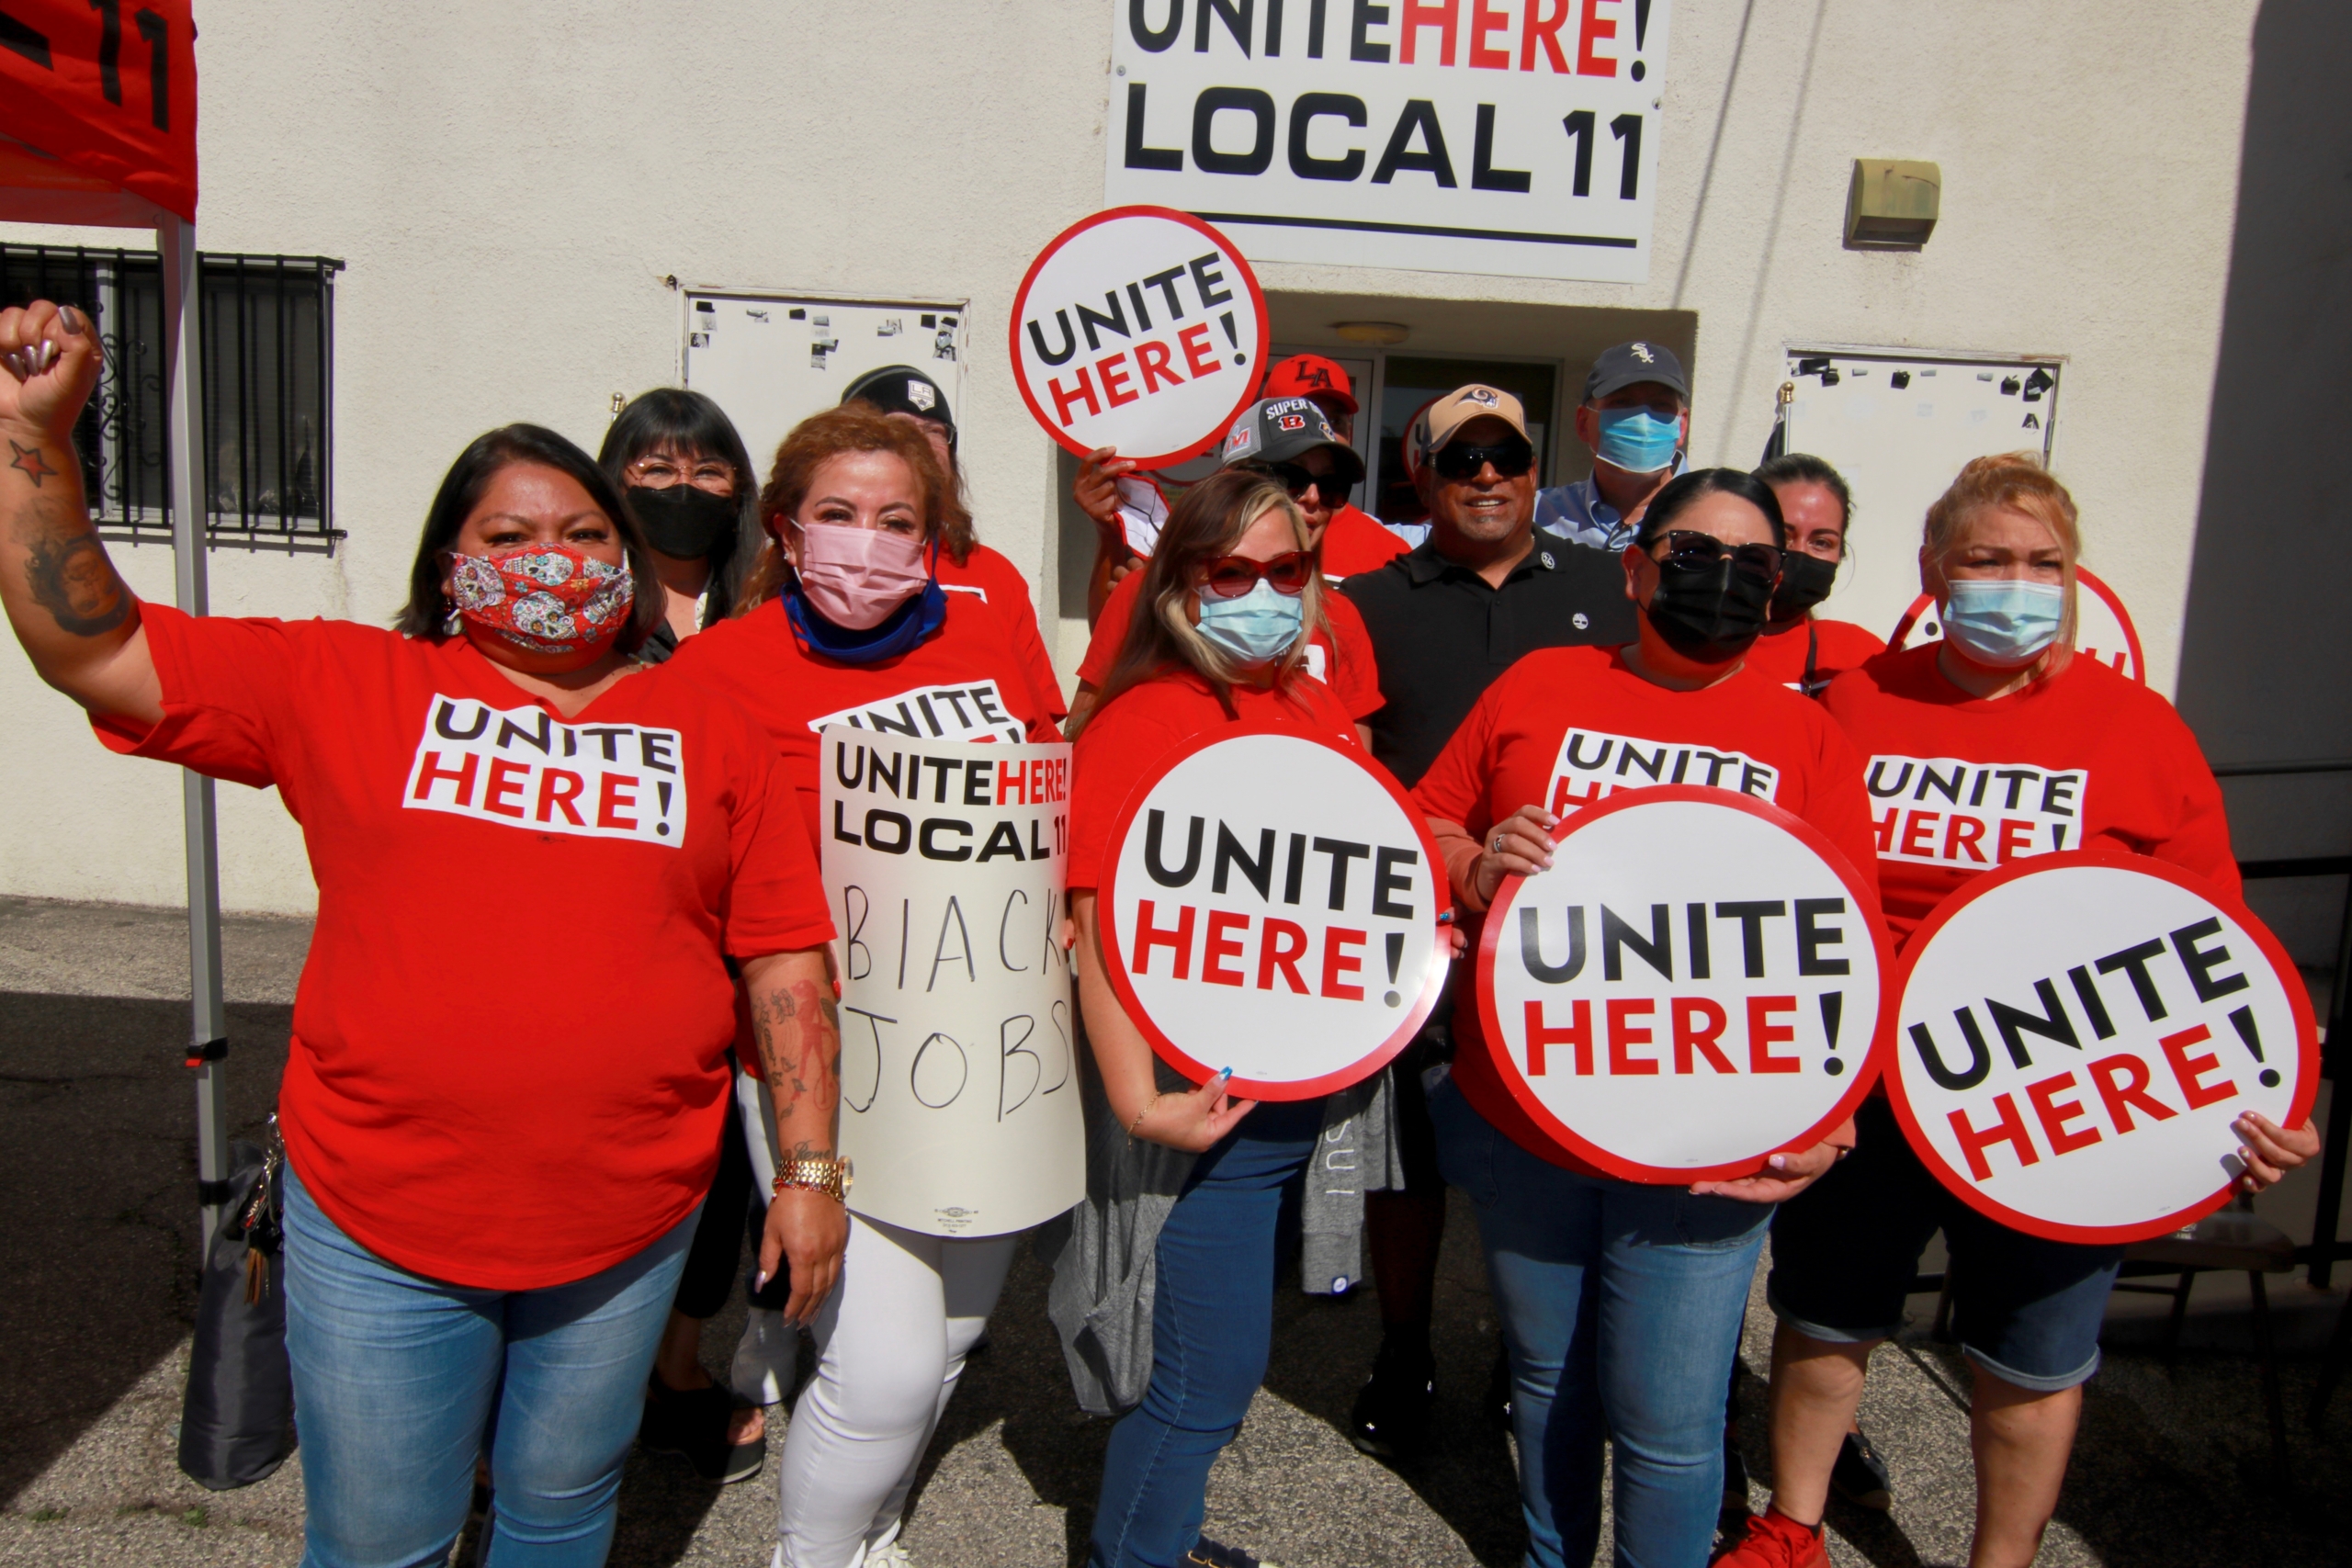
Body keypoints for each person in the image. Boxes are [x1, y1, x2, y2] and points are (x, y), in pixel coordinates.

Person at [0, 300, 843, 1567]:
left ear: (627, 553)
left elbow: (783, 953)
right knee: (384, 1540)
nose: (550, 556)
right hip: (382, 1223)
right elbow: (95, 645)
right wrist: (35, 439)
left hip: (625, 1230)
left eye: (581, 531)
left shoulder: (713, 722)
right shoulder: (351, 682)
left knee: (563, 1511)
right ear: (452, 561)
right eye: (508, 533)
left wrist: (811, 1170)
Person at [1717, 454, 2324, 1568]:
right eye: (1987, 558)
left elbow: (2215, 948)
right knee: (1827, 1313)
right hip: (1881, 1086)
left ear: (2076, 577)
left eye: (2043, 562)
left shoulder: (2139, 731)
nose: (2017, 581)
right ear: (1932, 572)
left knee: (2033, 1353)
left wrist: (2262, 1095)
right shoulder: (1856, 704)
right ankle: (1791, 1529)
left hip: (2055, 1098)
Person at [1410, 468, 1877, 1568]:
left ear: (1775, 590)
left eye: (1751, 566)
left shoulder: (1804, 736)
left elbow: (1858, 943)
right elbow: (1426, 820)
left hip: (1709, 1137)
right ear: (1633, 567)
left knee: (1668, 1425)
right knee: (1547, 1382)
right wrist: (1476, 864)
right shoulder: (1537, 684)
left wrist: (1838, 1112)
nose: (1720, 581)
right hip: (1530, 1120)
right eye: (1691, 557)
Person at [664, 403, 1062, 1568]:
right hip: (816, 1060)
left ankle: (873, 1526)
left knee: (952, 1332)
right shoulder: (718, 671)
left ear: (934, 533)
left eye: (898, 519)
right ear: (785, 530)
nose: (868, 542)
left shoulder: (987, 641)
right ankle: (810, 1555)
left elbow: (1043, 803)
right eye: (837, 515)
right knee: (882, 1363)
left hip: (984, 1050)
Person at [1063, 468, 1401, 1568]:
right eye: (1232, 572)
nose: (1262, 591)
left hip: (1293, 1089)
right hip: (1202, 1111)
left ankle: (1154, 1531)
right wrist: (1136, 1101)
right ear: (1179, 587)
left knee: (1208, 1361)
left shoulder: (1314, 706)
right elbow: (1096, 925)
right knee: (1205, 1379)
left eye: (1285, 570)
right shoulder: (1142, 718)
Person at [1335, 384, 1635, 1458]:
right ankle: (1405, 1347)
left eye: (1506, 454)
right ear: (1420, 474)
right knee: (1403, 1165)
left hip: (1578, 948)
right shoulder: (1366, 602)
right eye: (1461, 460)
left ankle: (1530, 1357)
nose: (1488, 477)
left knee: (1550, 1166)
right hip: (1418, 932)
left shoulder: (1612, 586)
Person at [593, 388, 797, 1483]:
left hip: (743, 944)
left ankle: (676, 1364)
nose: (682, 488)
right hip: (612, 941)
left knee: (727, 1172)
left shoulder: (770, 607)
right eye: (654, 466)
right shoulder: (577, 613)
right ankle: (584, 1375)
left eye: (709, 469)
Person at [1065, 398, 1385, 742]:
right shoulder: (1148, 589)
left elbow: (1357, 768)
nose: (1312, 497)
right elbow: (1084, 726)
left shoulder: (1342, 618)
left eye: (1331, 486)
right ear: (1233, 479)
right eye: (1290, 476)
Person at [1069, 354, 1403, 626]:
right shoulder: (1200, 531)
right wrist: (1110, 532)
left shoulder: (1387, 552)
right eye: (1288, 475)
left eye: (1336, 420)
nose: (1320, 428)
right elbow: (1110, 644)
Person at [842, 364, 1067, 721]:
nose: (921, 442)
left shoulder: (994, 574)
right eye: (901, 428)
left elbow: (1040, 714)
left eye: (935, 431)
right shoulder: (822, 562)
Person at [1745, 453, 1886, 697]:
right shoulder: (1685, 654)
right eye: (1784, 535)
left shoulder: (1863, 658)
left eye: (1821, 542)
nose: (1798, 553)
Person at [1534, 341, 1691, 552]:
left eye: (1660, 405)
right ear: (1583, 423)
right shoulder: (1537, 515)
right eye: (1622, 402)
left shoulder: (1718, 518)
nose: (1642, 422)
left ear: (1681, 426)